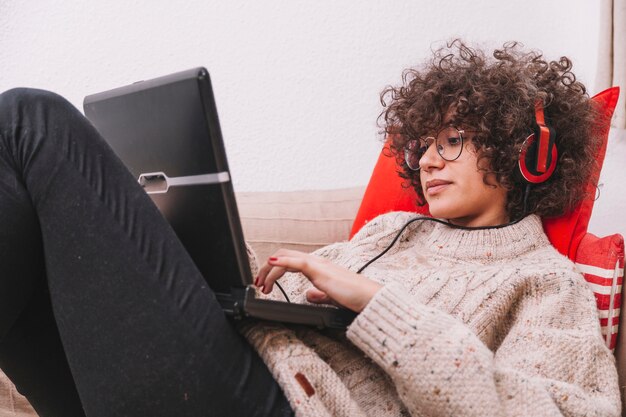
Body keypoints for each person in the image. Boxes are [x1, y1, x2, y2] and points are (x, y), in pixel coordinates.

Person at [0, 39, 620, 417]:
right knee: (23, 219)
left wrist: (375, 304)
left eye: (453, 141)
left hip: (277, 405)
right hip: (220, 372)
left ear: (526, 153)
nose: (427, 160)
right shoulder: (391, 231)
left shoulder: (544, 281)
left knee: (30, 119)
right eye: (422, 145)